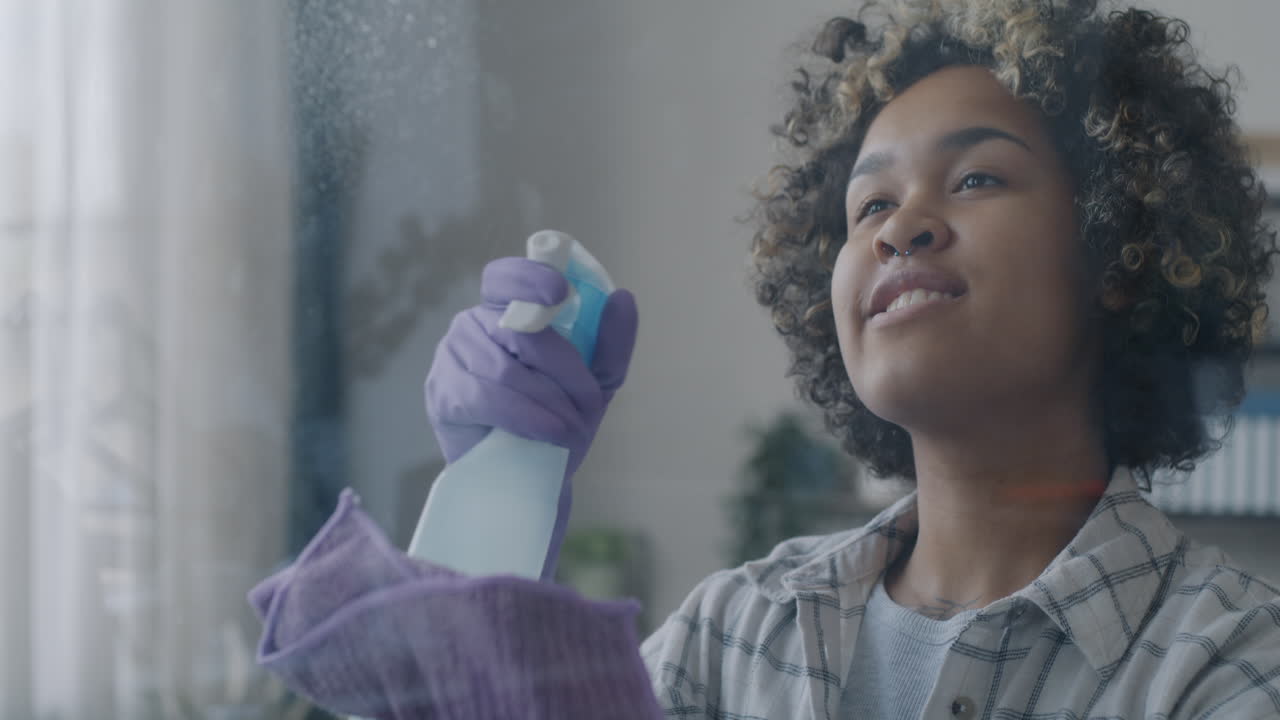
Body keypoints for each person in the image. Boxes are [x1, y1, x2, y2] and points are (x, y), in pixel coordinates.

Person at [249, 0, 1280, 718]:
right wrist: (481, 531)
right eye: (867, 204)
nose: (899, 226)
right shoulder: (734, 633)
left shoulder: (1227, 664)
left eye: (973, 180)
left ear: (1116, 251)